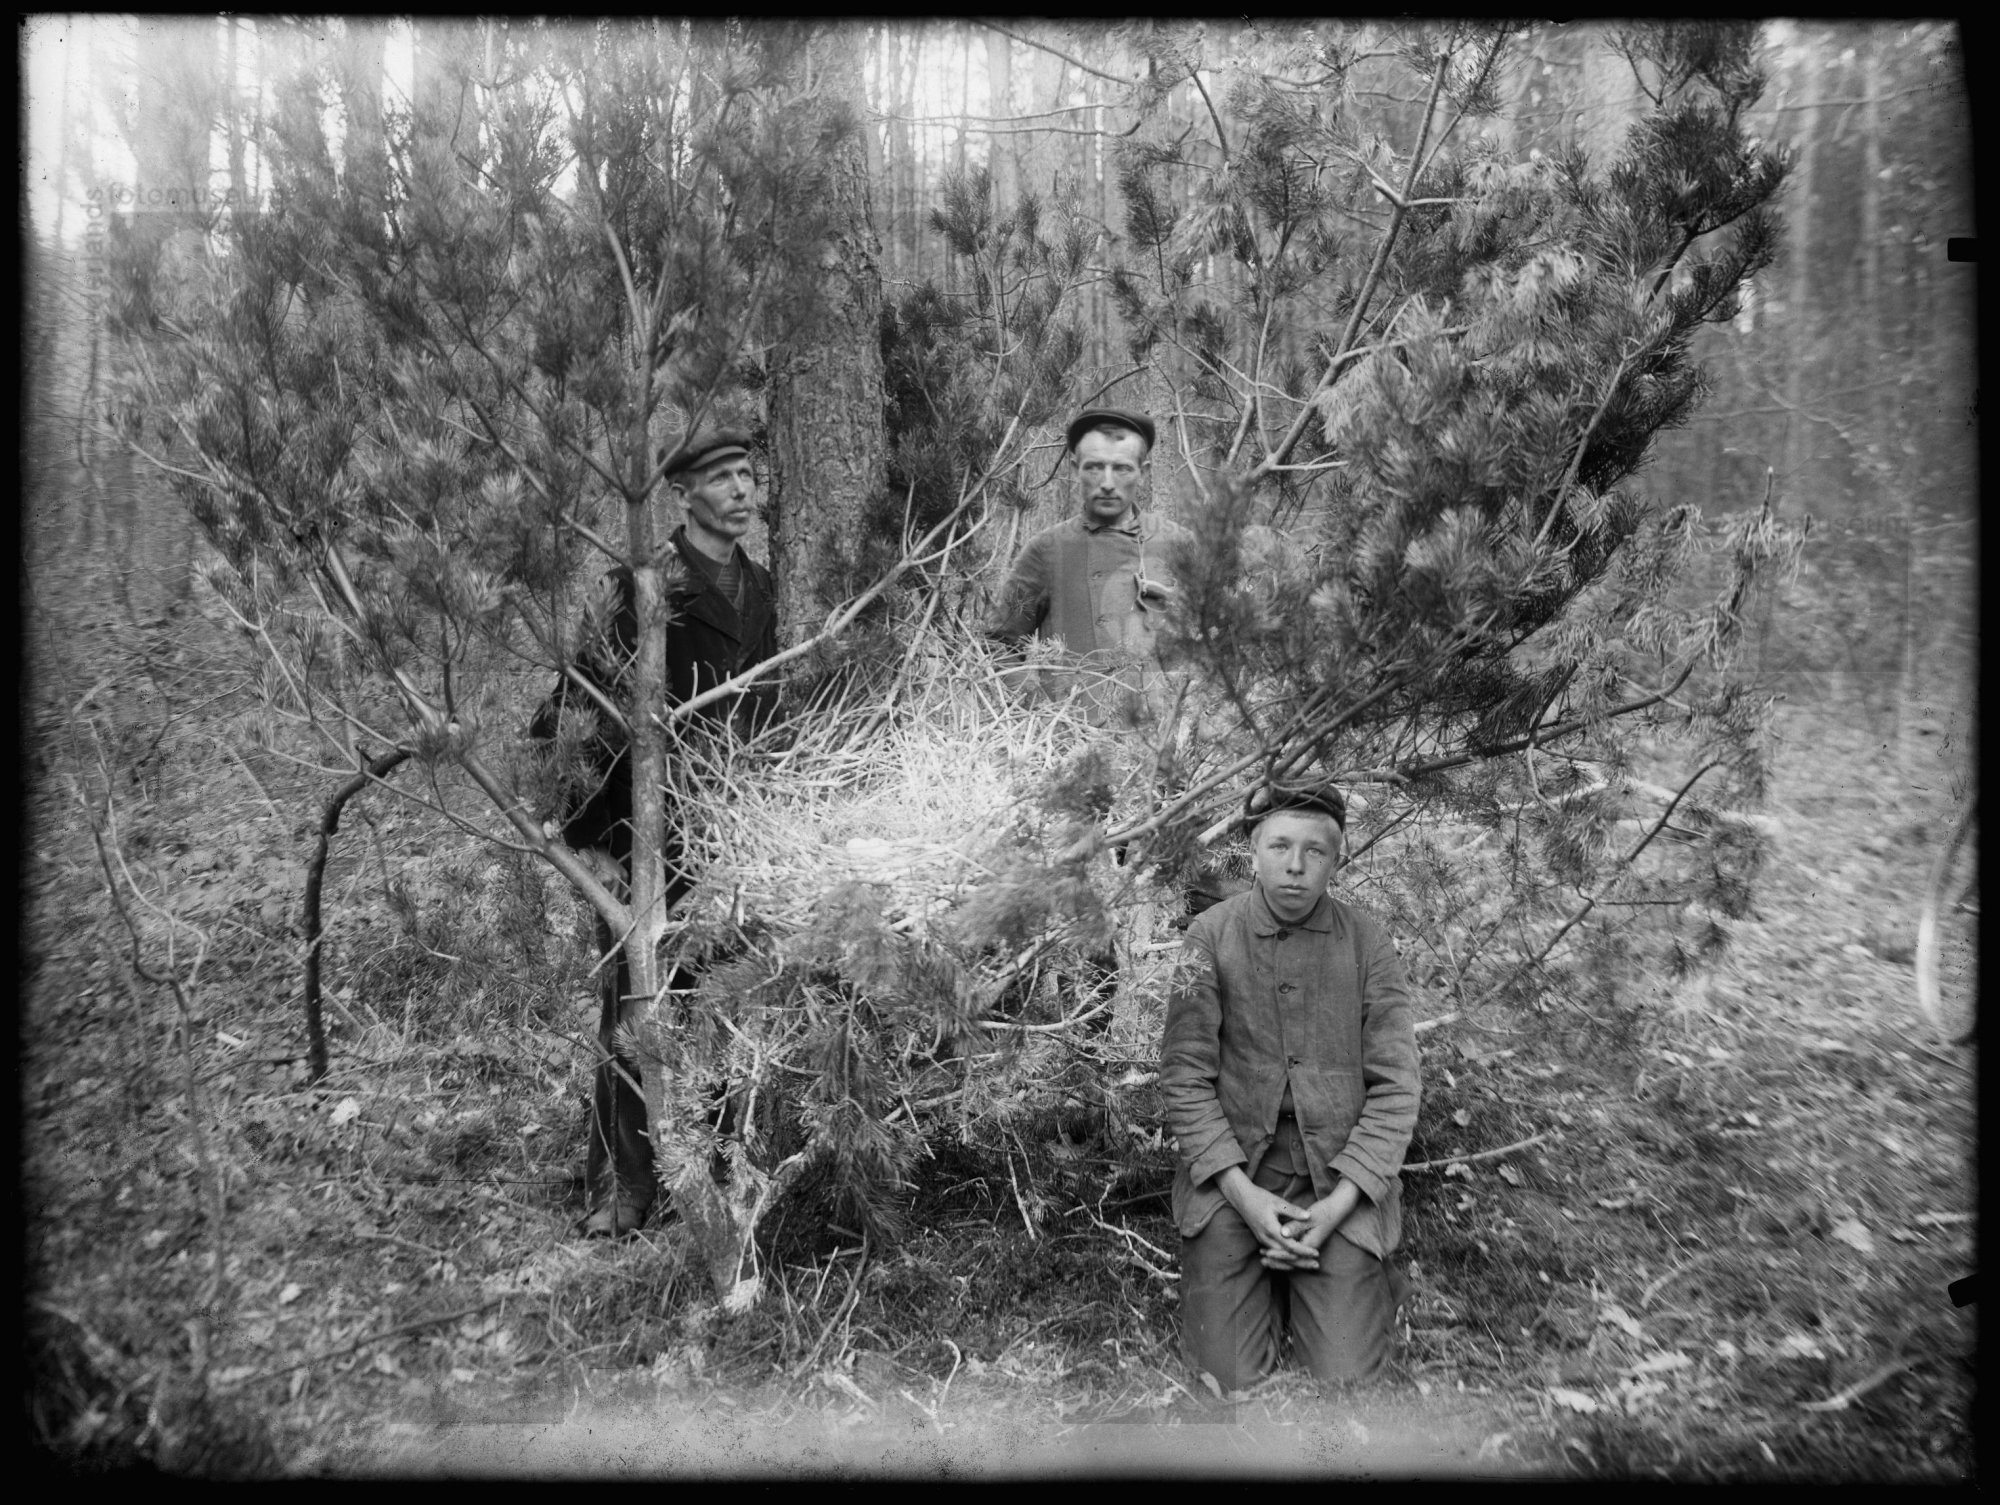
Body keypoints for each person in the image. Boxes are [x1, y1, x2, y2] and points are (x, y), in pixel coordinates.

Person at [533, 427, 779, 1238]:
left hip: (740, 837)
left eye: (747, 475)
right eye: (722, 477)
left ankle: (711, 1168)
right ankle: (624, 1186)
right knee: (639, 1010)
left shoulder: (764, 587)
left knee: (727, 1004)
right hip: (649, 843)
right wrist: (592, 836)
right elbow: (569, 715)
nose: (740, 490)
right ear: (683, 493)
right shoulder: (640, 587)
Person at [1159, 782, 1421, 1391]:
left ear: (1337, 858)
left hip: (1333, 1176)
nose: (1295, 866)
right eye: (1279, 846)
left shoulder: (1368, 943)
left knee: (1346, 1375)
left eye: (1315, 850)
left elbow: (1397, 1086)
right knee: (1226, 1376)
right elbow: (1184, 1075)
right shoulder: (1209, 935)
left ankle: (1351, 1277)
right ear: (1253, 851)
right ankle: (1260, 1276)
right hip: (1236, 1175)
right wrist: (1243, 1197)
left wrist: (1339, 1206)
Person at [986, 408, 1186, 731]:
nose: (1107, 483)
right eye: (1094, 467)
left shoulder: (1178, 543)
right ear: (1075, 469)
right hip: (1076, 743)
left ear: (1143, 472)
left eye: (1122, 468)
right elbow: (999, 643)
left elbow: (1218, 642)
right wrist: (1044, 715)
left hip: (1164, 742)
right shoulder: (1047, 550)